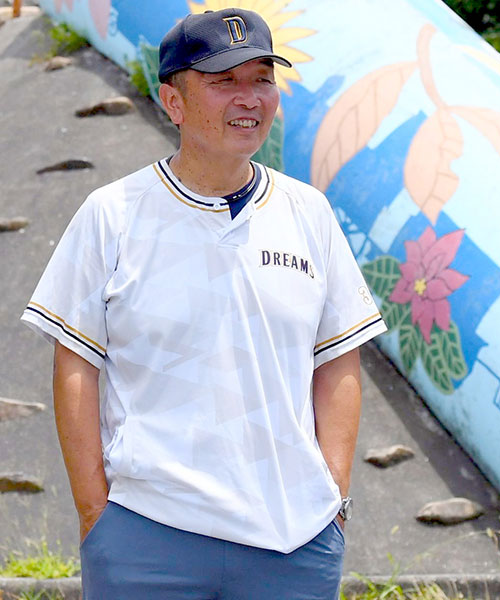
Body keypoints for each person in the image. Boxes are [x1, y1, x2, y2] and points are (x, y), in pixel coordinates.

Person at [22, 8, 386, 599]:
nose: (249, 98)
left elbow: (338, 360)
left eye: (262, 79)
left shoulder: (308, 214)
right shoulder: (112, 215)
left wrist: (334, 499)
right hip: (148, 533)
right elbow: (75, 365)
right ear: (174, 102)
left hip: (293, 541)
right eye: (224, 82)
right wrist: (97, 517)